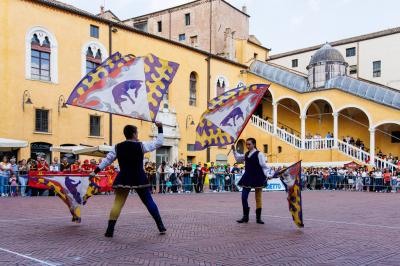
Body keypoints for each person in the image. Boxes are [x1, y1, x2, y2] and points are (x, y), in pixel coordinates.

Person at [92, 122, 166, 237]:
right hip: (139, 177)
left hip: (124, 177)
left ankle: (109, 230)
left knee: (118, 203)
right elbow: (159, 142)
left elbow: (107, 160)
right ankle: (161, 226)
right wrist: (160, 128)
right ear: (133, 134)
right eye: (137, 133)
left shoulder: (117, 147)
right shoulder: (141, 145)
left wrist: (95, 171)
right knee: (148, 201)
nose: (137, 135)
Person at [232, 138, 274, 224]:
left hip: (258, 177)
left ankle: (258, 218)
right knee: (244, 197)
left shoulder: (259, 154)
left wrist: (269, 175)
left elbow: (264, 166)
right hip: (248, 177)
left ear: (254, 144)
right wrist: (234, 150)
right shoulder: (246, 154)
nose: (247, 146)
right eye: (246, 144)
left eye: (249, 144)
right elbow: (238, 159)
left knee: (258, 198)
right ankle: (245, 217)